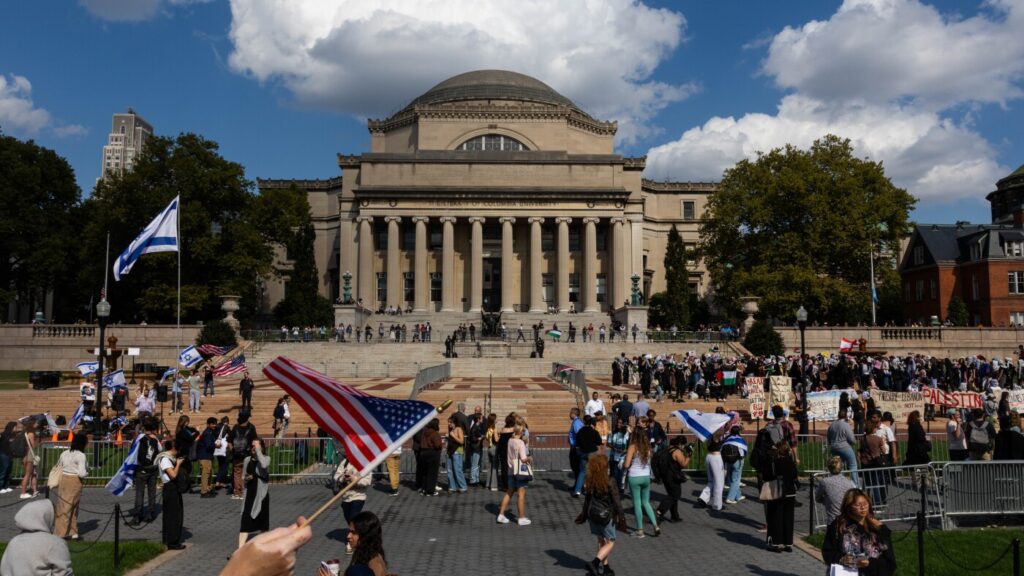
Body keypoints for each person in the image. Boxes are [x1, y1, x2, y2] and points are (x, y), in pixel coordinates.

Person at [821, 489, 896, 576]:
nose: (863, 507)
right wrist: (841, 559)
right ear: (849, 506)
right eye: (858, 505)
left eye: (865, 503)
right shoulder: (839, 526)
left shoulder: (877, 527)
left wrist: (869, 563)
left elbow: (890, 562)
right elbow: (828, 552)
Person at [574, 454, 625, 576]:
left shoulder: (591, 481)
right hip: (606, 516)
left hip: (593, 515)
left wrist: (584, 514)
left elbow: (587, 500)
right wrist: (622, 517)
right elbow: (617, 501)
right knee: (611, 542)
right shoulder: (610, 481)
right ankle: (595, 563)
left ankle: (606, 567)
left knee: (601, 541)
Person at [0, 500, 72, 576]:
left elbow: (5, 570)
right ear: (47, 517)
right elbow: (64, 573)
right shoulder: (55, 543)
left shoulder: (13, 542)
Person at [624, 419, 659, 537]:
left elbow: (626, 465)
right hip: (646, 476)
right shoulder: (648, 447)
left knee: (637, 504)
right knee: (646, 502)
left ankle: (640, 530)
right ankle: (655, 525)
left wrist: (623, 462)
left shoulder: (632, 447)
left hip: (634, 476)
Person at [762, 441, 799, 552]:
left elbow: (767, 476)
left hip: (777, 492)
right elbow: (794, 475)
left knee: (775, 517)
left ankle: (776, 543)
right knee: (788, 518)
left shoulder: (774, 462)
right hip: (790, 492)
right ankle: (788, 543)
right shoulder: (790, 462)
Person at [325, 511, 388, 576]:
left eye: (353, 532)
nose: (348, 536)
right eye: (349, 531)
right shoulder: (361, 552)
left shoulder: (374, 563)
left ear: (365, 536)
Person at [52, 433, 89, 539]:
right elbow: (82, 473)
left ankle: (72, 532)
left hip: (63, 479)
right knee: (70, 508)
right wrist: (87, 474)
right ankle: (61, 534)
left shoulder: (64, 453)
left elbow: (60, 464)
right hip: (74, 481)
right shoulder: (81, 455)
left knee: (64, 506)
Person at [334, 457, 372, 554]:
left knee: (353, 518)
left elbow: (367, 481)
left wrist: (355, 479)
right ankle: (360, 535)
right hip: (346, 497)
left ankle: (350, 543)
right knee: (349, 519)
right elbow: (336, 476)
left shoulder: (365, 464)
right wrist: (344, 477)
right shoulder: (345, 461)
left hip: (358, 496)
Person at [496, 423, 532, 526]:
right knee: (521, 495)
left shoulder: (510, 440)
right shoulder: (520, 443)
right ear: (520, 432)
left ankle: (501, 514)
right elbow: (523, 458)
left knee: (509, 493)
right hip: (520, 472)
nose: (524, 433)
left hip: (511, 471)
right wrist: (529, 459)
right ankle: (521, 518)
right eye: (523, 431)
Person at [239, 438, 271, 548]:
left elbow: (263, 465)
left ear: (261, 447)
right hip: (250, 493)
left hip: (261, 495)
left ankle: (264, 547)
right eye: (252, 446)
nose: (254, 448)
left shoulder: (266, 458)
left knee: (263, 523)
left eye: (256, 445)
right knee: (245, 521)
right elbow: (243, 476)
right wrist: (247, 478)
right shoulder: (247, 459)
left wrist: (258, 451)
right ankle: (240, 550)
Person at [158, 439, 187, 550]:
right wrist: (178, 464)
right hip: (170, 488)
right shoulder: (165, 459)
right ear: (174, 448)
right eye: (178, 449)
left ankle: (169, 539)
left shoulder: (169, 458)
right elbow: (173, 475)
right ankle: (172, 542)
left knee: (172, 515)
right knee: (174, 516)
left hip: (172, 489)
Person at [655, 435, 691, 523]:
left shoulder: (669, 448)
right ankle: (660, 510)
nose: (683, 447)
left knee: (673, 495)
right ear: (680, 444)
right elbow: (684, 464)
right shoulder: (677, 451)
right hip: (673, 477)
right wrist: (689, 455)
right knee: (675, 495)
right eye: (683, 445)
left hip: (665, 476)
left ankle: (674, 516)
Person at [815, 456, 857, 526]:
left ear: (828, 468)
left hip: (833, 520)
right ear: (841, 468)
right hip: (848, 519)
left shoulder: (825, 482)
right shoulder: (850, 483)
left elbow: (817, 498)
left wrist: (826, 500)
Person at [827, 408, 859, 486]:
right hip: (845, 447)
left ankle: (838, 484)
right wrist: (854, 442)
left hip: (834, 447)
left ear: (838, 415)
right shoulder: (845, 425)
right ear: (846, 416)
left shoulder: (832, 425)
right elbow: (851, 438)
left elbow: (828, 437)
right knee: (853, 465)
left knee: (837, 466)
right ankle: (855, 485)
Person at [230, 414, 258, 499]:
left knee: (237, 473)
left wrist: (233, 450)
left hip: (236, 455)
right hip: (247, 454)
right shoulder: (251, 427)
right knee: (246, 473)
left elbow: (230, 441)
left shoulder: (235, 427)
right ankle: (244, 492)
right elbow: (255, 441)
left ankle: (237, 492)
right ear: (246, 419)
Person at [573, 415, 602, 497]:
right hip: (592, 453)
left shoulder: (580, 431)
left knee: (582, 472)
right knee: (592, 472)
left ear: (584, 421)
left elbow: (577, 442)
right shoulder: (594, 432)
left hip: (582, 452)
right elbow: (599, 442)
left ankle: (577, 490)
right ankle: (590, 489)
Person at [699, 426, 726, 512]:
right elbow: (722, 432)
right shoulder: (715, 435)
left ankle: (703, 498)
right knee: (719, 483)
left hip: (710, 456)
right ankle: (717, 505)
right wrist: (724, 425)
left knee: (711, 481)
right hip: (716, 458)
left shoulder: (708, 435)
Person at [722, 426, 748, 504]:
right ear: (738, 432)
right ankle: (730, 498)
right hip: (737, 461)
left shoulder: (727, 439)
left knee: (732, 479)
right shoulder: (740, 439)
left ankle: (738, 496)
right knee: (735, 480)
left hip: (728, 461)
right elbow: (744, 451)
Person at [419, 418, 443, 496]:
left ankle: (424, 489)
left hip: (423, 453)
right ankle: (430, 490)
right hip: (433, 453)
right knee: (432, 473)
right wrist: (441, 444)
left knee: (425, 473)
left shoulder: (424, 433)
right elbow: (437, 445)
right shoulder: (435, 434)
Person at [445, 416, 467, 493]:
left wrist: (453, 436)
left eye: (450, 422)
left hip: (457, 451)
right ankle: (452, 487)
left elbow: (461, 441)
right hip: (450, 451)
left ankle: (463, 486)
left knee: (457, 469)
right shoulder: (451, 430)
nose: (449, 424)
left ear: (454, 422)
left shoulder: (458, 429)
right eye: (448, 422)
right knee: (450, 470)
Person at [608, 418, 630, 496]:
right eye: (618, 422)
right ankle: (614, 490)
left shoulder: (627, 434)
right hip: (614, 455)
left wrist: (625, 450)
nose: (618, 424)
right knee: (614, 473)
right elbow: (609, 443)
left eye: (620, 423)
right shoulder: (613, 432)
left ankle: (621, 490)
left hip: (623, 457)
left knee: (621, 474)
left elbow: (630, 445)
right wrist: (614, 448)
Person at [197, 417, 218, 498]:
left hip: (207, 456)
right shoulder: (208, 433)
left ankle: (207, 489)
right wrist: (216, 445)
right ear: (208, 424)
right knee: (206, 474)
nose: (214, 425)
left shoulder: (210, 432)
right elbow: (209, 445)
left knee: (209, 473)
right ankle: (204, 492)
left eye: (215, 423)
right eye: (213, 424)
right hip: (204, 456)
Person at [18, 419, 39, 499]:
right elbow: (33, 446)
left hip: (25, 454)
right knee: (27, 474)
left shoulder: (24, 432)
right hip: (30, 454)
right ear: (32, 424)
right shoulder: (31, 434)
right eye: (35, 423)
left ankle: (35, 490)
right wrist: (37, 441)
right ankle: (23, 493)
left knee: (33, 473)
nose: (37, 424)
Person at [568, 407, 584, 489]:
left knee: (576, 466)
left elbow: (579, 434)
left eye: (570, 412)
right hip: (575, 447)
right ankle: (577, 485)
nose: (569, 414)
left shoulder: (576, 423)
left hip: (575, 447)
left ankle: (579, 486)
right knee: (576, 467)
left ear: (574, 414)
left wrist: (577, 446)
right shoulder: (576, 422)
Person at [0, 421, 16, 494]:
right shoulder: (4, 434)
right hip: (4, 454)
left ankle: (6, 486)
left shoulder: (13, 435)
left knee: (9, 470)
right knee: (3, 470)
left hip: (10, 454)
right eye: (15, 427)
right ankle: (1, 486)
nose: (16, 428)